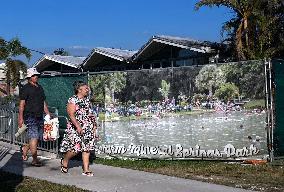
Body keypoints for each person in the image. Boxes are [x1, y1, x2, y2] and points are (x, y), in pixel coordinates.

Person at [59, 81, 97, 176]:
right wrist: (78, 126)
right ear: (79, 90)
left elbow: (90, 114)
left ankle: (86, 169)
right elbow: (71, 115)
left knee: (86, 148)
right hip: (75, 127)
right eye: (86, 88)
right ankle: (65, 160)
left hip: (87, 127)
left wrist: (94, 125)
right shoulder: (72, 100)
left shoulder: (87, 100)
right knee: (76, 149)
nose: (88, 90)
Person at [18, 67, 50, 167]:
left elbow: (43, 102)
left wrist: (48, 113)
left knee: (38, 137)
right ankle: (34, 160)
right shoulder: (25, 88)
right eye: (33, 75)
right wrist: (20, 118)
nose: (36, 77)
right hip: (30, 116)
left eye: (37, 75)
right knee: (34, 136)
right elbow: (22, 104)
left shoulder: (40, 87)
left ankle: (25, 148)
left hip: (40, 116)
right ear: (29, 77)